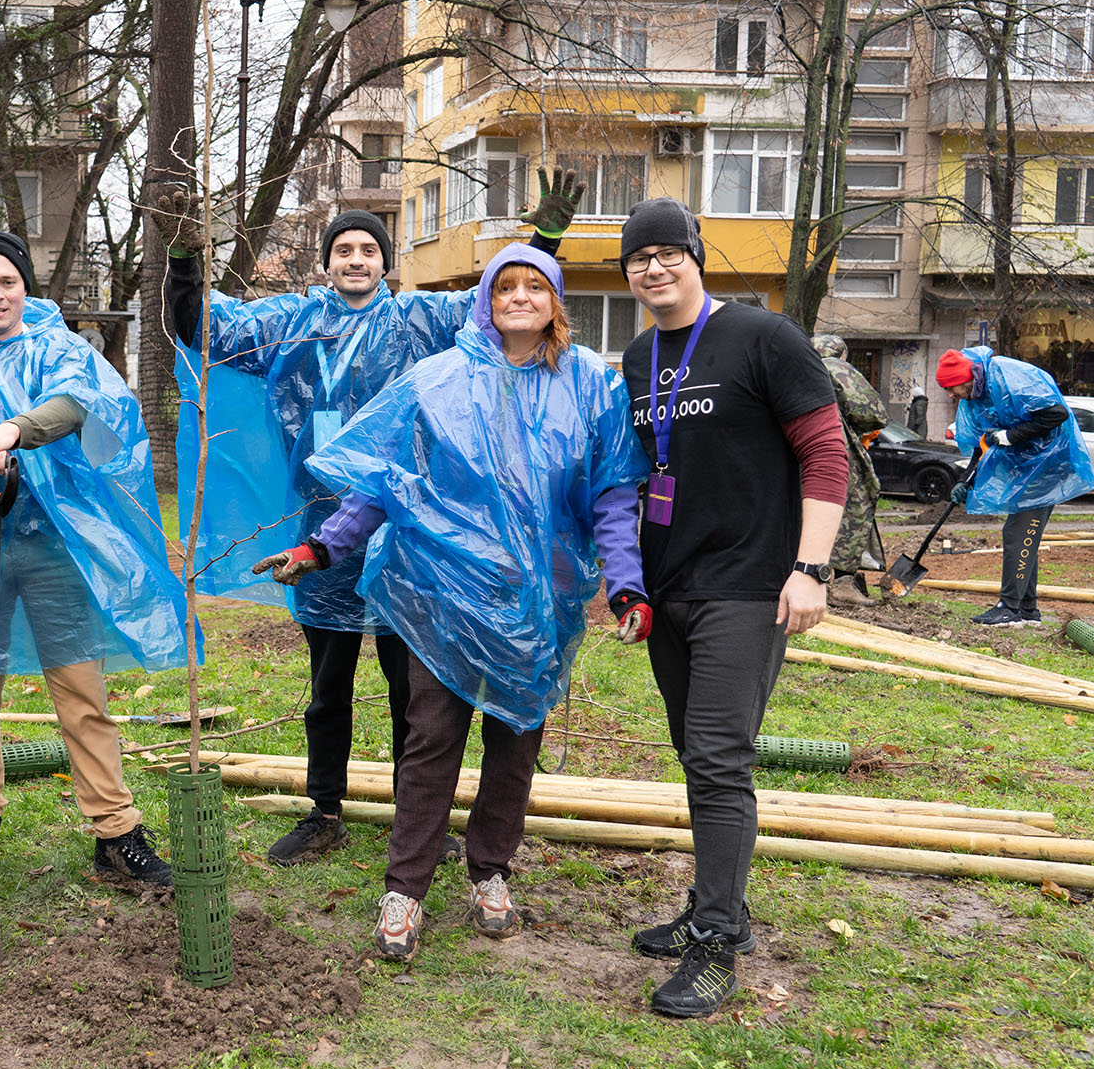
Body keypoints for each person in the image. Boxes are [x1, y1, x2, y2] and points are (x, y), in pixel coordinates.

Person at [156, 170, 583, 868]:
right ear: (326, 261)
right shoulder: (291, 321)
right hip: (322, 528)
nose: (356, 259)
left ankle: (411, 816)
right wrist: (180, 261)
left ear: (387, 262)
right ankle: (325, 810)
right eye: (344, 249)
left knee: (414, 690)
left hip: (408, 533)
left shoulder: (418, 319)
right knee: (327, 689)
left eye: (368, 249)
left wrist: (546, 238)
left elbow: (506, 301)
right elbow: (201, 327)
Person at [253, 242, 651, 961]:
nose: (521, 297)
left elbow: (615, 494)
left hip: (536, 604)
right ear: (486, 301)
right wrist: (321, 547)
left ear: (556, 300)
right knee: (430, 736)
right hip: (442, 596)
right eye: (507, 287)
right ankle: (404, 886)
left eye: (537, 286)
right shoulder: (436, 380)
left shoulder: (593, 386)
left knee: (515, 737)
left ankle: (491, 870)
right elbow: (381, 480)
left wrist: (625, 583)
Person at [0, 231, 188, 889]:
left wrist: (12, 430)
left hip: (51, 545)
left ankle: (115, 833)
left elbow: (74, 405)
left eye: (7, 281)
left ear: (25, 288)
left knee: (80, 691)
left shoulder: (58, 349)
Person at [616, 198, 848, 1018]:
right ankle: (722, 906)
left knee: (718, 757)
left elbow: (825, 448)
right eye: (638, 258)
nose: (653, 268)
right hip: (670, 587)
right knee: (695, 752)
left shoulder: (762, 337)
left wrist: (810, 567)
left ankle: (717, 944)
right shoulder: (640, 355)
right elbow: (643, 475)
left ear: (695, 255)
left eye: (667, 252)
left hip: (749, 585)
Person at [937, 346, 1094, 626]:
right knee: (1023, 536)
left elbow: (1056, 413)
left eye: (952, 388)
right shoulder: (978, 397)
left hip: (1049, 467)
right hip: (1028, 470)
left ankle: (1009, 607)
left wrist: (1010, 435)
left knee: (1018, 533)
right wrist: (964, 481)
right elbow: (982, 445)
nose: (950, 395)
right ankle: (1027, 609)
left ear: (967, 378)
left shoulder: (1008, 380)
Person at [811, 334, 889, 608]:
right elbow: (872, 413)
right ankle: (842, 583)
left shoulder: (793, 365)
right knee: (855, 502)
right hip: (831, 443)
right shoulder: (833, 365)